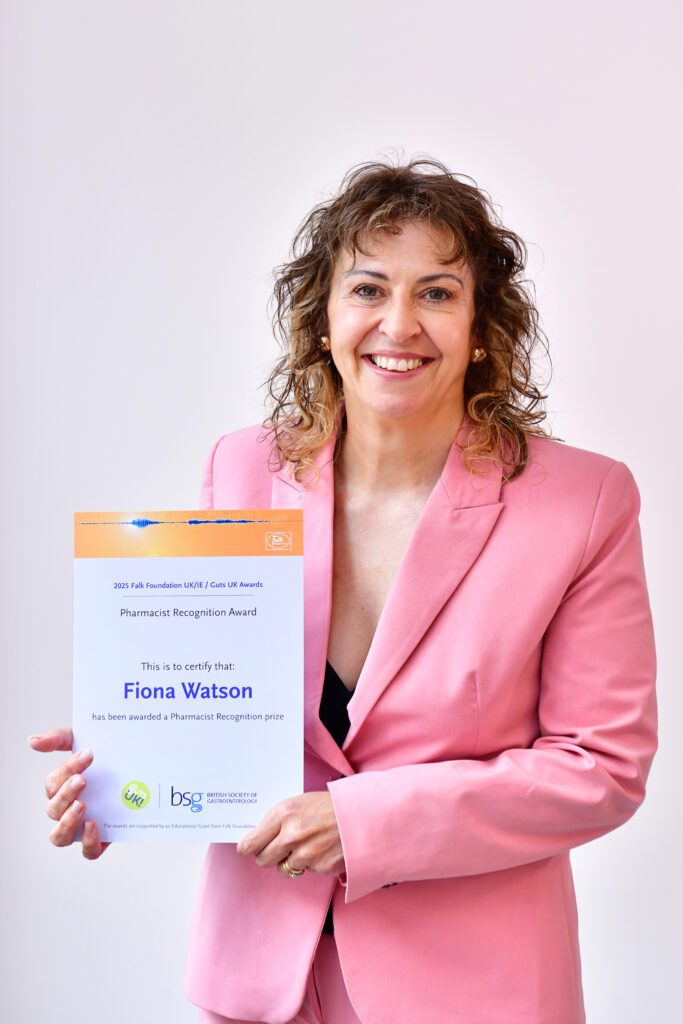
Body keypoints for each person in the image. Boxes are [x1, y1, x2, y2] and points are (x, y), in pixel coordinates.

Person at [29, 157, 658, 1024]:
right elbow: (221, 705)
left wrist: (364, 822)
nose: (397, 324)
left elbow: (601, 767)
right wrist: (133, 766)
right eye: (368, 288)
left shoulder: (582, 500)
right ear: (323, 319)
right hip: (263, 983)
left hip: (476, 990)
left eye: (437, 293)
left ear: (481, 326)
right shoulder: (242, 466)